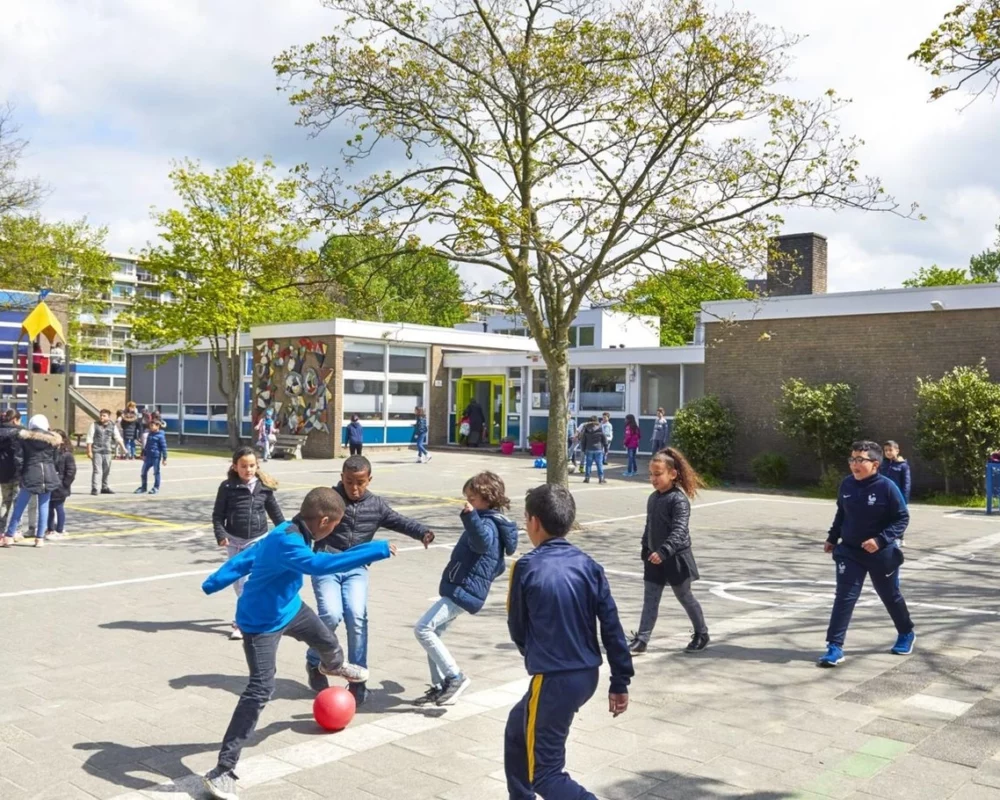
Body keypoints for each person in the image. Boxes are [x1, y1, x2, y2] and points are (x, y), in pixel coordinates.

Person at [200, 487, 395, 800]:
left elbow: (250, 556)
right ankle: (223, 770)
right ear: (324, 521)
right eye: (334, 526)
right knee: (260, 689)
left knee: (328, 641)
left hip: (291, 609)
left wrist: (214, 582)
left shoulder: (289, 529)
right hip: (260, 623)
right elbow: (319, 566)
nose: (333, 532)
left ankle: (333, 666)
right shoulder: (288, 541)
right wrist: (376, 549)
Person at [505, 483, 633, 799]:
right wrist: (619, 681)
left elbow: (518, 627)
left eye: (525, 519)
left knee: (545, 775)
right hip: (586, 675)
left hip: (553, 679)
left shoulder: (525, 566)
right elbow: (612, 627)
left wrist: (537, 654)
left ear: (534, 522)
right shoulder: (589, 565)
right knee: (517, 729)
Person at [306, 455, 435, 706]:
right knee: (331, 615)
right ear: (341, 477)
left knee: (356, 616)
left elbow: (399, 521)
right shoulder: (329, 499)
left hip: (356, 568)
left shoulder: (376, 505)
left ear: (369, 480)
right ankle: (314, 661)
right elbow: (304, 523)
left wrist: (422, 532)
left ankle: (358, 680)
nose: (354, 488)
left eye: (360, 483)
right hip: (326, 563)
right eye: (349, 482)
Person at [412, 471, 519, 707]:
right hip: (464, 588)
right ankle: (440, 686)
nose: (467, 501)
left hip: (462, 590)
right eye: (467, 497)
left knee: (423, 629)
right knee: (434, 633)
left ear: (488, 498)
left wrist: (470, 517)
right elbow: (497, 565)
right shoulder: (490, 521)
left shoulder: (486, 523)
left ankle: (455, 677)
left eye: (472, 498)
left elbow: (481, 543)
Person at [817, 440, 914, 668]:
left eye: (860, 460)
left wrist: (880, 540)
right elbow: (841, 514)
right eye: (852, 459)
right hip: (850, 552)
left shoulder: (887, 487)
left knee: (889, 595)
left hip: (881, 554)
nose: (854, 464)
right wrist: (832, 537)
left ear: (875, 464)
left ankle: (906, 632)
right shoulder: (847, 484)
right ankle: (834, 646)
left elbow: (902, 518)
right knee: (844, 597)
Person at [629, 447, 710, 654]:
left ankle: (702, 633)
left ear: (672, 474)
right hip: (654, 557)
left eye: (658, 474)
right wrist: (645, 547)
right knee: (650, 598)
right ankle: (642, 639)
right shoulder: (653, 498)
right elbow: (649, 525)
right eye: (651, 474)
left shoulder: (678, 500)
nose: (653, 479)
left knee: (685, 596)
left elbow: (679, 531)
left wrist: (664, 551)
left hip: (676, 558)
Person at [213, 447, 286, 641]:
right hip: (233, 540)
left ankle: (241, 623)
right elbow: (218, 515)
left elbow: (275, 513)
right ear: (235, 467)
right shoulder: (227, 487)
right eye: (244, 466)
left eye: (252, 465)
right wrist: (220, 534)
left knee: (246, 583)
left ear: (257, 466)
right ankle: (256, 612)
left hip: (256, 540)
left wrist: (289, 533)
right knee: (237, 583)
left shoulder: (264, 487)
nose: (248, 470)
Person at [2, 414, 60, 549]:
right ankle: (39, 538)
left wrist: (20, 473)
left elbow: (19, 459)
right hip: (48, 474)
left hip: (30, 473)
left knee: (20, 506)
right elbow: (55, 460)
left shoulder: (24, 439)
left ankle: (9, 536)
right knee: (44, 506)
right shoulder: (53, 440)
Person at [46, 429, 76, 541]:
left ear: (62, 440)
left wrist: (65, 483)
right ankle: (50, 528)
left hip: (60, 485)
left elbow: (71, 471)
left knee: (58, 507)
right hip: (50, 483)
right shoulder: (49, 452)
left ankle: (59, 529)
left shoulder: (66, 454)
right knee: (49, 508)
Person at [87, 408, 123, 495]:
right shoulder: (94, 425)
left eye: (104, 416)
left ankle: (104, 487)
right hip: (97, 450)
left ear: (108, 417)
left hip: (107, 451)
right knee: (97, 470)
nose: (101, 417)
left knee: (106, 470)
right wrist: (89, 451)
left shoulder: (112, 426)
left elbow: (118, 437)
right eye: (101, 415)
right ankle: (95, 488)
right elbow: (89, 438)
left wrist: (123, 448)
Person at [0, 409, 22, 531]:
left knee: (5, 501)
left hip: (3, 472)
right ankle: (16, 529)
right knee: (18, 502)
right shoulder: (19, 433)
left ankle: (1, 529)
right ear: (15, 420)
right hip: (17, 471)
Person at [136, 418, 167, 495]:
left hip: (155, 456)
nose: (151, 427)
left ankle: (156, 487)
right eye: (150, 426)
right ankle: (143, 487)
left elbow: (164, 447)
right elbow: (147, 445)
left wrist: (164, 458)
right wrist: (143, 453)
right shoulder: (150, 434)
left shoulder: (160, 436)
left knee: (156, 472)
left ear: (157, 426)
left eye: (152, 426)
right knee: (143, 472)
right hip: (148, 457)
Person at [880, 440, 912, 504]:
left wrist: (904, 500)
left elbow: (906, 484)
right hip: (882, 495)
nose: (888, 452)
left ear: (897, 451)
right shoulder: (881, 464)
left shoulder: (903, 465)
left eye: (890, 450)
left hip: (896, 496)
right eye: (886, 450)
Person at [580, 415, 607, 484]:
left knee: (588, 464)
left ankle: (587, 478)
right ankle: (601, 478)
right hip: (598, 449)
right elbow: (604, 439)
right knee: (599, 464)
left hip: (588, 448)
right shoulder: (600, 428)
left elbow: (583, 440)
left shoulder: (586, 428)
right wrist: (606, 449)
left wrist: (583, 449)